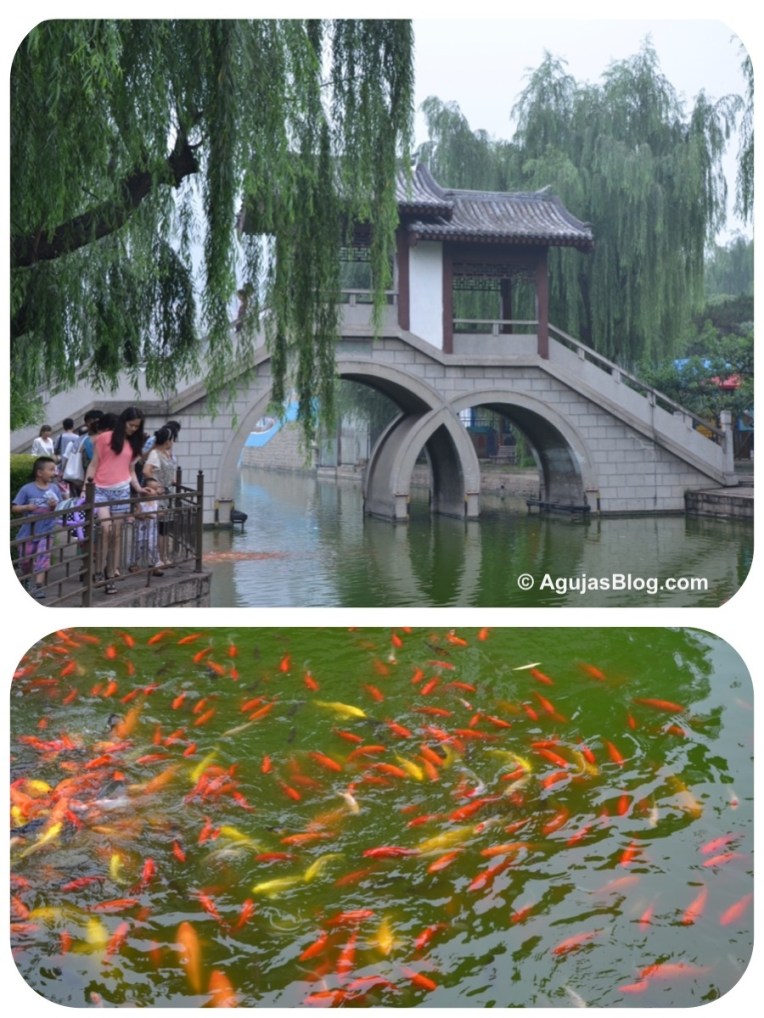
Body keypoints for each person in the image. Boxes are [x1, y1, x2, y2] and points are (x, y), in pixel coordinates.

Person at [83, 406, 149, 594]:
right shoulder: (104, 438)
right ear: (123, 422)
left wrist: (138, 488)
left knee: (118, 534)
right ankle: (98, 570)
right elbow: (93, 464)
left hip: (121, 491)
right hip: (101, 489)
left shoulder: (134, 444)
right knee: (106, 529)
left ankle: (110, 575)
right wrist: (84, 489)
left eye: (137, 426)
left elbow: (130, 471)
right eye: (131, 425)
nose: (133, 429)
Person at [12, 456, 65, 599]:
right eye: (51, 469)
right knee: (25, 560)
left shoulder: (54, 488)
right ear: (39, 472)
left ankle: (38, 586)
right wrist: (26, 507)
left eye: (55, 469)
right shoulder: (27, 489)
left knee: (43, 557)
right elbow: (14, 507)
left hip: (46, 531)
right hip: (28, 532)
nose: (54, 472)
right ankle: (27, 578)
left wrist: (55, 506)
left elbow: (61, 507)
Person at [142, 425, 177, 567]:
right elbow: (146, 471)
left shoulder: (167, 454)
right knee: (160, 528)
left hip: (168, 495)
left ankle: (164, 556)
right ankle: (158, 558)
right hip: (160, 495)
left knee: (165, 527)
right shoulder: (155, 454)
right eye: (172, 440)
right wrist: (156, 484)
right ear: (167, 440)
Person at [128, 477, 165, 575]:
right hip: (141, 532)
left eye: (157, 488)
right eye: (154, 489)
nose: (157, 491)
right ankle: (133, 564)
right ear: (146, 490)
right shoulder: (140, 503)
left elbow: (160, 512)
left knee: (153, 548)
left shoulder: (156, 502)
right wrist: (146, 515)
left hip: (152, 532)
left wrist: (161, 513)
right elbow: (137, 515)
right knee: (137, 549)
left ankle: (155, 566)